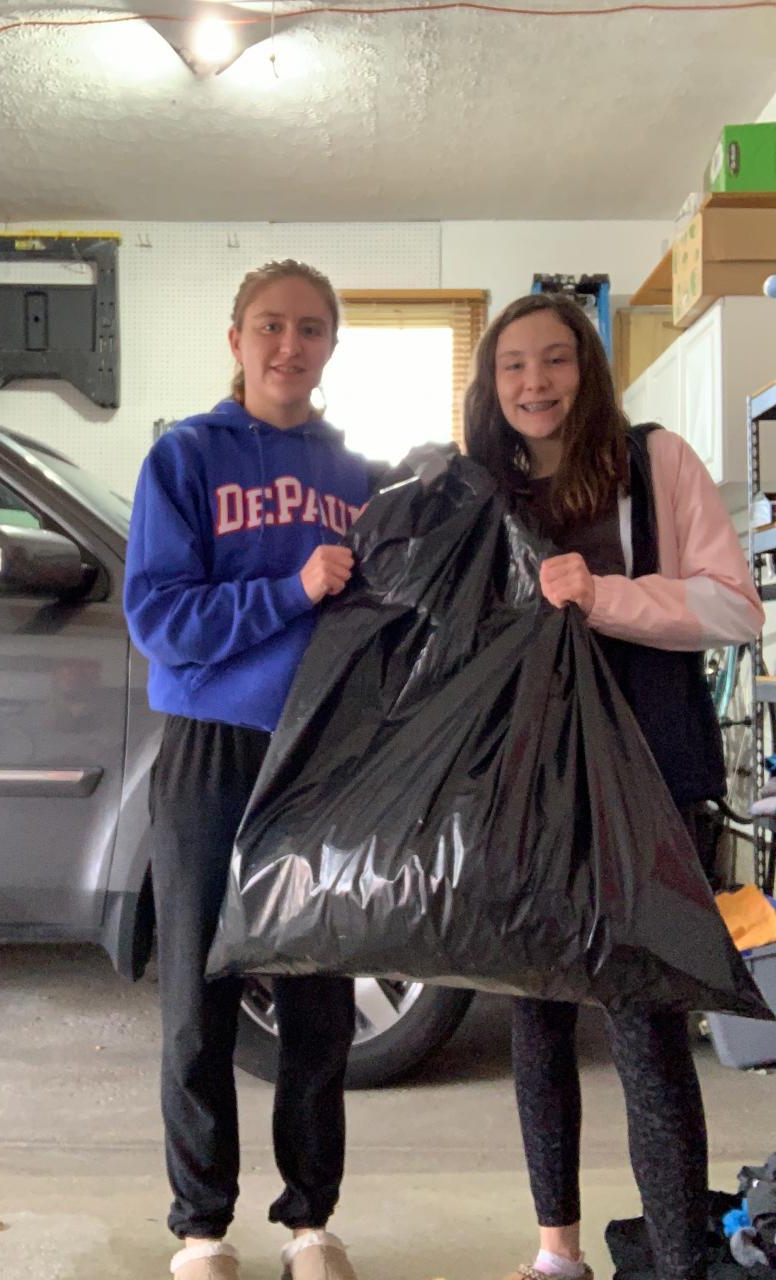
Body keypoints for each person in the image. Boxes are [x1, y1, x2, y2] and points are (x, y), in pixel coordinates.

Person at [463, 292, 764, 1280]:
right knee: (538, 1017)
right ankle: (557, 1251)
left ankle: (678, 1257)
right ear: (491, 383)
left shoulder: (655, 460)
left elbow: (734, 608)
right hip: (527, 784)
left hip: (647, 778)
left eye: (555, 359)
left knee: (645, 1023)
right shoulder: (480, 491)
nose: (535, 382)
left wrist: (602, 597)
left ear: (587, 368)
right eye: (513, 364)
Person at [123, 260, 368, 1280]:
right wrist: (289, 590)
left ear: (330, 345)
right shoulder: (185, 456)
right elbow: (159, 621)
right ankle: (201, 1230)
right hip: (212, 743)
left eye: (311, 328)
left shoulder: (356, 477)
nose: (289, 345)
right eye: (270, 325)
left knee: (318, 998)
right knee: (199, 992)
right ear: (236, 340)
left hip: (323, 752)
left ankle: (311, 1223)